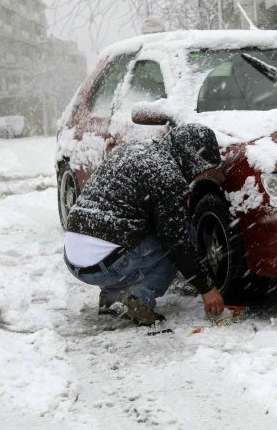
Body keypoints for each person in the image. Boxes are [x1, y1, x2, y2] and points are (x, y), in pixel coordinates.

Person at [63, 123, 225, 326]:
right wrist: (206, 288)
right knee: (182, 236)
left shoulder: (133, 149)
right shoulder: (168, 175)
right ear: (191, 157)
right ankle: (138, 298)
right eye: (201, 168)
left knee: (145, 230)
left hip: (74, 258)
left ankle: (112, 297)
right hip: (105, 263)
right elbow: (176, 243)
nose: (199, 175)